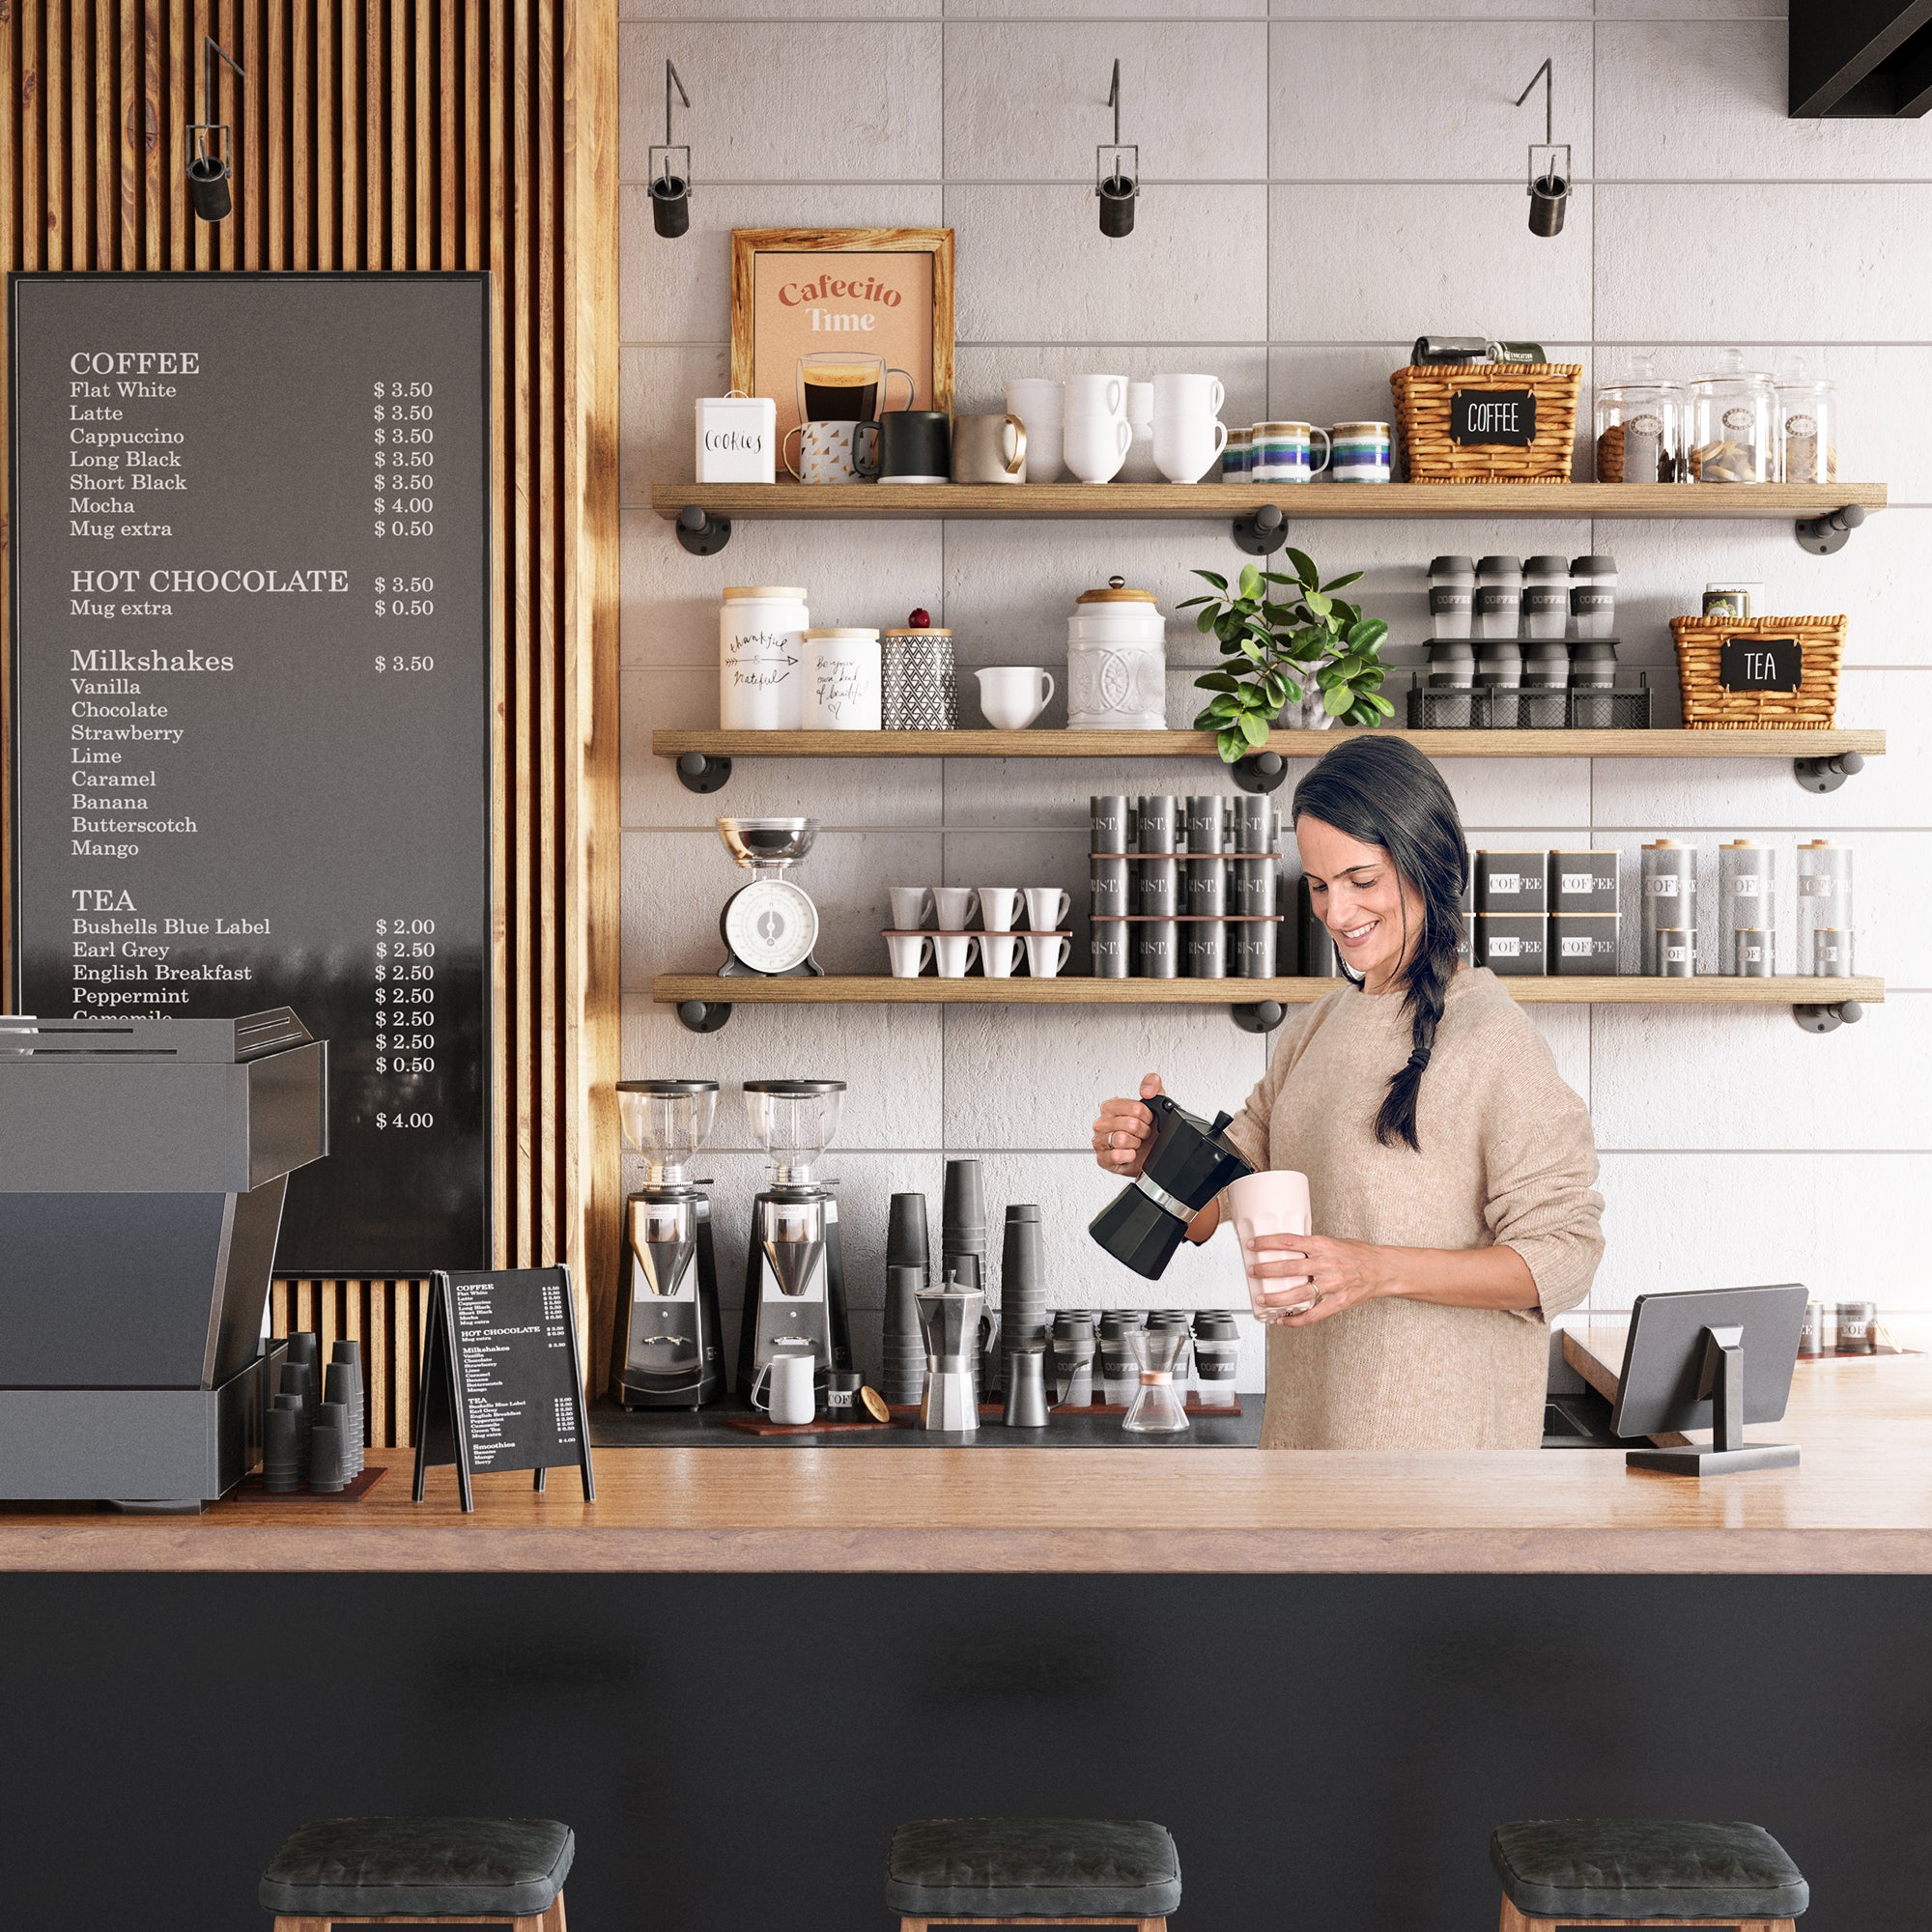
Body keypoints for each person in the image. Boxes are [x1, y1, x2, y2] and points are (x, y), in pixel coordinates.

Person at [1090, 736, 1603, 1449]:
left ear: (1427, 864)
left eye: (1362, 880)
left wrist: (1375, 1269)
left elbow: (1565, 1255)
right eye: (1320, 884)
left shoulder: (1495, 1040)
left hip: (1445, 1477)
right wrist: (1153, 1151)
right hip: (1308, 1456)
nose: (1336, 911)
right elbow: (1214, 1202)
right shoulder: (1317, 1027)